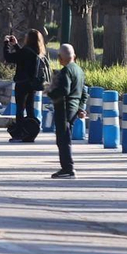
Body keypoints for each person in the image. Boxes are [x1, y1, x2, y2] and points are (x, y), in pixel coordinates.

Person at [3, 28, 49, 138]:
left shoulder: (26, 51)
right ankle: (31, 132)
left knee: (20, 108)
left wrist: (6, 44)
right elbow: (23, 56)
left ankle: (19, 132)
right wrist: (16, 45)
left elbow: (9, 57)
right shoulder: (38, 52)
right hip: (32, 84)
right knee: (30, 108)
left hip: (22, 83)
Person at [50, 43, 86, 179]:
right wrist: (81, 107)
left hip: (64, 108)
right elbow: (84, 92)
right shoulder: (79, 70)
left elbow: (64, 91)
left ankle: (67, 168)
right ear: (74, 56)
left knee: (63, 139)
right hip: (74, 108)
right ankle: (67, 167)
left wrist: (51, 91)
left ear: (60, 58)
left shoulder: (65, 71)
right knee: (66, 137)